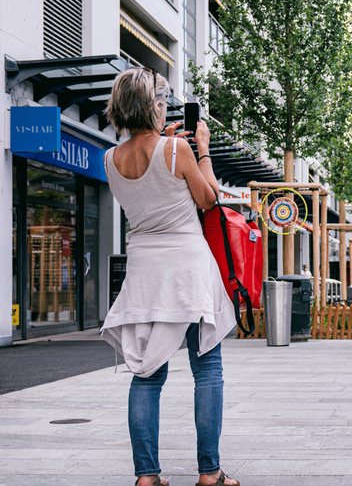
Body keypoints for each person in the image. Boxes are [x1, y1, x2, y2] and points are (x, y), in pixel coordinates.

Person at [100, 67, 239, 486]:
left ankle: (147, 476)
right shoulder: (178, 151)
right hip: (187, 269)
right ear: (152, 105)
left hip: (144, 271)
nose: (165, 108)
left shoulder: (110, 158)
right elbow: (210, 198)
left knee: (146, 374)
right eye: (162, 101)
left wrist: (169, 142)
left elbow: (147, 185)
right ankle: (209, 472)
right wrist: (202, 151)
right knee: (207, 368)